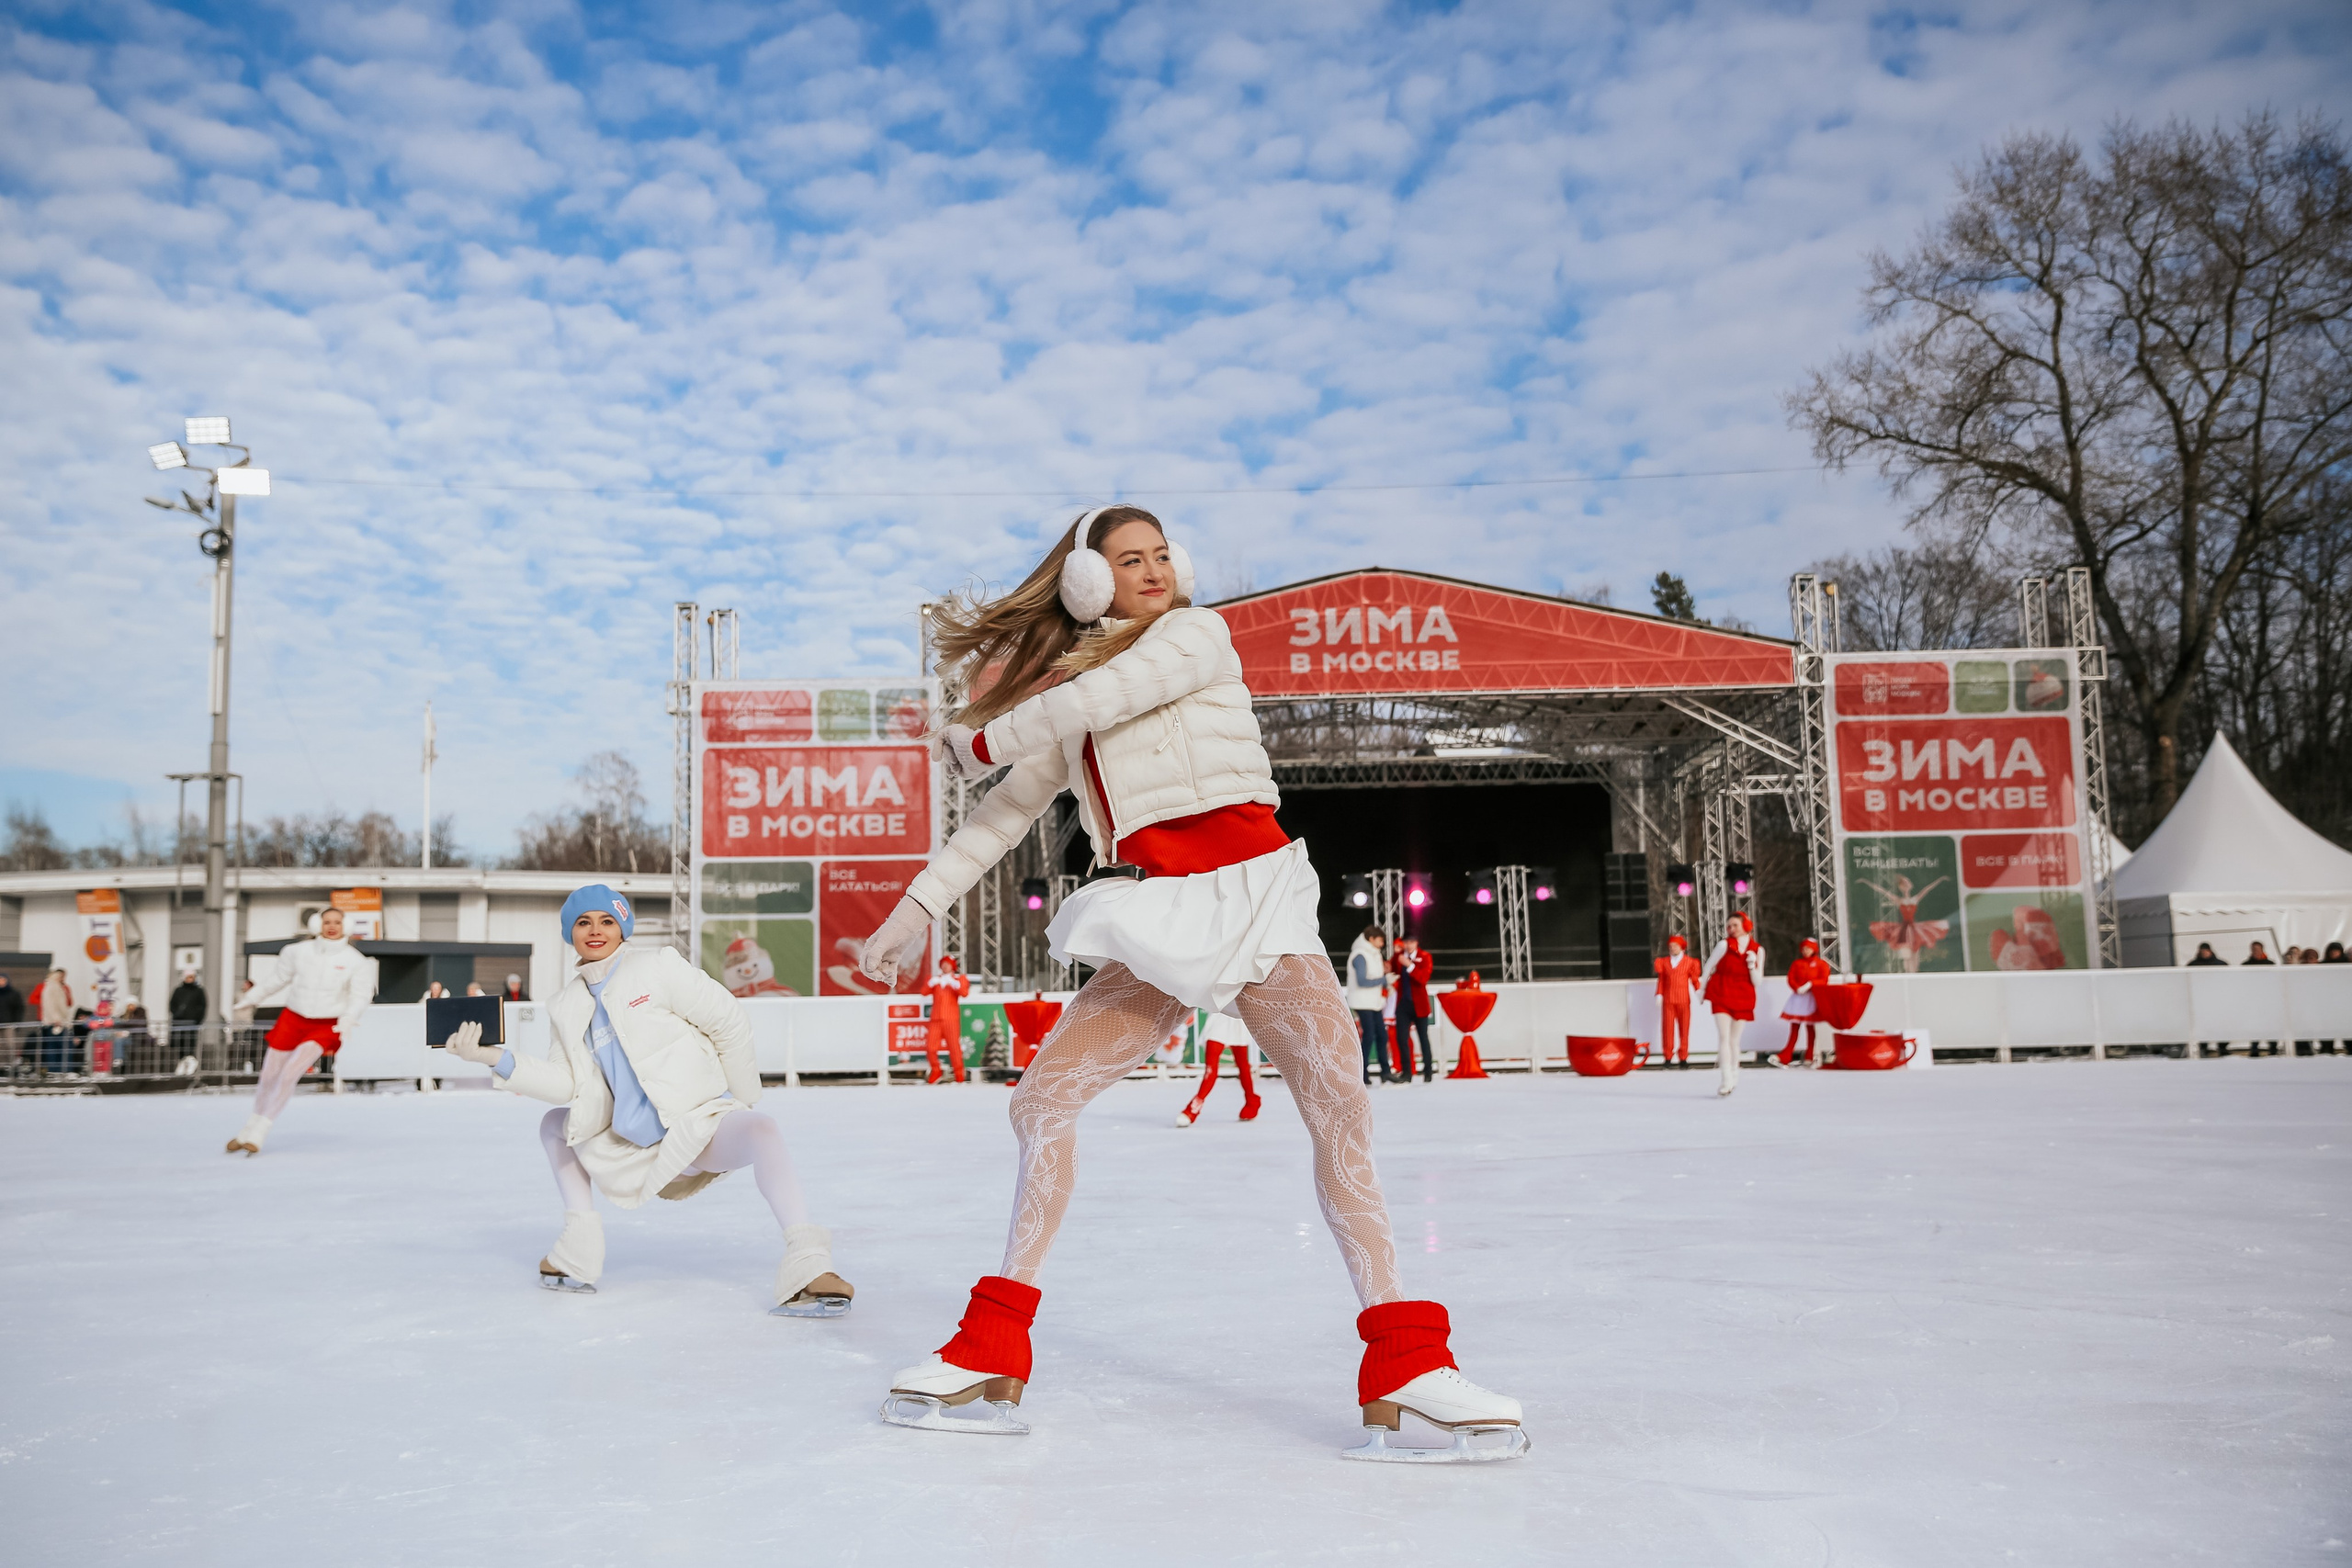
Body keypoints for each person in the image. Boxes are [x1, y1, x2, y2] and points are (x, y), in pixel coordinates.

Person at [854, 504, 1523, 1461]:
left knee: (1341, 1107)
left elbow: (1100, 700)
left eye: (1162, 553)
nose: (1156, 570)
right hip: (1157, 915)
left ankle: (1406, 1360)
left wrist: (984, 735)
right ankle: (991, 1343)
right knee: (1040, 1105)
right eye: (1131, 559)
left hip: (1254, 899)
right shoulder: (1070, 688)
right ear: (1088, 581)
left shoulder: (1194, 636)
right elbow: (998, 821)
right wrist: (910, 910)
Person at [443, 884, 853, 1315]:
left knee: (763, 1129)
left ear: (623, 928)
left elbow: (728, 1021)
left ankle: (809, 1268)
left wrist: (743, 1098)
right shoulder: (564, 1005)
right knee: (553, 1124)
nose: (595, 930)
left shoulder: (658, 967)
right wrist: (492, 1057)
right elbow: (566, 1084)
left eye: (607, 921)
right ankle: (577, 1253)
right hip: (630, 1150)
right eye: (583, 922)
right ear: (570, 933)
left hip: (695, 1129)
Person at [225, 909, 376, 1153]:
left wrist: (349, 1018)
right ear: (317, 924)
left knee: (290, 1073)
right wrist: (251, 998)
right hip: (293, 1018)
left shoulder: (355, 961)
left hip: (327, 1024)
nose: (332, 926)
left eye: (337, 922)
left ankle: (261, 1131)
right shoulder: (297, 952)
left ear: (345, 926)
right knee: (269, 1075)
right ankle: (248, 1129)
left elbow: (361, 995)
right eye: (327, 921)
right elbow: (277, 979)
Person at [1699, 919, 1758, 1098]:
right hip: (1721, 990)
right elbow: (1709, 966)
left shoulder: (1757, 950)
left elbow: (1757, 981)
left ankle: (1734, 1074)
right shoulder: (1724, 945)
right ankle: (1725, 1078)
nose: (1731, 929)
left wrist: (1751, 965)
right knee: (1724, 1036)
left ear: (1745, 926)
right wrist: (1702, 989)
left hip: (1743, 994)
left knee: (1735, 1039)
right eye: (1729, 925)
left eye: (1735, 925)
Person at [1175, 1010, 1262, 1126]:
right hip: (1219, 1015)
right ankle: (1193, 1109)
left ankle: (1251, 1100)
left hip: (1237, 1017)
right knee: (1211, 1068)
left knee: (1243, 1065)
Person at [1771, 939, 1831, 1066]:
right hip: (1799, 998)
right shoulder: (1797, 963)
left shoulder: (1821, 964)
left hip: (1811, 998)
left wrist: (1811, 984)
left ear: (1814, 949)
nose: (1805, 951)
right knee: (1794, 1027)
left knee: (1810, 1027)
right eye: (1804, 949)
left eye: (1808, 949)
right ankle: (1786, 1054)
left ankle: (1810, 1055)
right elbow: (1791, 978)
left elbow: (1824, 979)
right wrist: (1797, 987)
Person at [1343, 926, 1390, 1084]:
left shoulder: (1372, 954)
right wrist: (1384, 980)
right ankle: (1363, 1074)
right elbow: (1362, 981)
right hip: (1363, 1002)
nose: (1382, 944)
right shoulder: (1360, 955)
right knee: (1369, 1036)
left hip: (1373, 1002)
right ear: (1371, 939)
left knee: (1381, 1036)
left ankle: (1385, 1071)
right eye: (1380, 940)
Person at [1390, 933, 1435, 1083]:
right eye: (1406, 943)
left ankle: (1428, 1072)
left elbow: (1423, 978)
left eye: (1411, 942)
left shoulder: (1425, 956)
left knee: (1423, 1038)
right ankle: (1407, 1072)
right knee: (1401, 1038)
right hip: (1403, 1004)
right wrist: (1395, 954)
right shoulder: (1399, 957)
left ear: (1416, 943)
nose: (1408, 945)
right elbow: (1390, 969)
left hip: (1419, 1005)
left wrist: (1410, 965)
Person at [1654, 935, 1700, 1069]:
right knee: (1667, 1029)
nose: (1672, 948)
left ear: (1681, 947)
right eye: (1670, 946)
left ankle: (1683, 1057)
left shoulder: (1689, 962)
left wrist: (1699, 991)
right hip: (1668, 1000)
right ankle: (1668, 1057)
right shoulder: (1664, 962)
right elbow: (1661, 980)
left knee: (1684, 1029)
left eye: (1675, 945)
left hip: (1683, 1000)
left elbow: (1694, 979)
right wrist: (1659, 994)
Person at [924, 954, 971, 1085]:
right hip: (936, 1019)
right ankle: (936, 1070)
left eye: (948, 964)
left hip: (951, 1019)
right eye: (943, 964)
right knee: (930, 1047)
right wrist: (930, 983)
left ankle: (959, 1074)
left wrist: (954, 983)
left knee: (954, 1048)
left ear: (953, 966)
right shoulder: (936, 980)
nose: (945, 966)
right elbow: (924, 991)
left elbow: (964, 993)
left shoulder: (960, 979)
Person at [168, 971, 206, 1058]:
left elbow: (202, 1006)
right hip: (179, 1022)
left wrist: (197, 1019)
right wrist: (177, 1013)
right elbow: (172, 1004)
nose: (190, 979)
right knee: (179, 1044)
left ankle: (188, 1062)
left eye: (192, 977)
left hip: (191, 1023)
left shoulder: (199, 991)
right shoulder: (178, 990)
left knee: (190, 1044)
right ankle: (181, 1062)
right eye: (188, 977)